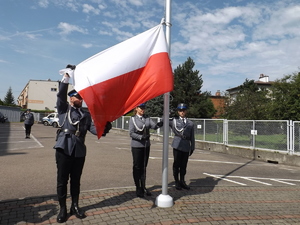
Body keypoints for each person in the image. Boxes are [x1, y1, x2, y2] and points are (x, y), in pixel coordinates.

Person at [53, 65, 111, 223]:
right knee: (62, 180)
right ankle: (63, 209)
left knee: (76, 180)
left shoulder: (85, 115)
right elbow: (60, 96)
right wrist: (66, 76)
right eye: (78, 97)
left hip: (79, 150)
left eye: (81, 98)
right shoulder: (64, 109)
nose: (81, 99)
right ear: (72, 98)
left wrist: (105, 127)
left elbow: (94, 130)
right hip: (64, 148)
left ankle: (75, 206)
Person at [129, 103, 163, 198]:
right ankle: (138, 187)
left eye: (144, 108)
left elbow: (153, 126)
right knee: (137, 166)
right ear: (136, 108)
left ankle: (143, 186)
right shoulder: (133, 119)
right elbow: (131, 133)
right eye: (141, 108)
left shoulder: (147, 118)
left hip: (146, 146)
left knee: (144, 166)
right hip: (136, 146)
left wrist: (159, 124)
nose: (143, 110)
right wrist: (141, 137)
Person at [169, 103, 195, 190]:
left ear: (186, 111)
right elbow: (163, 121)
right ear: (178, 112)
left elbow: (192, 136)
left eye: (183, 110)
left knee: (184, 165)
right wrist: (169, 113)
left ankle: (182, 181)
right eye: (180, 110)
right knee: (176, 164)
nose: (182, 112)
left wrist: (192, 147)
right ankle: (176, 181)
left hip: (186, 145)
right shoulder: (174, 121)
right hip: (177, 144)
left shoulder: (190, 123)